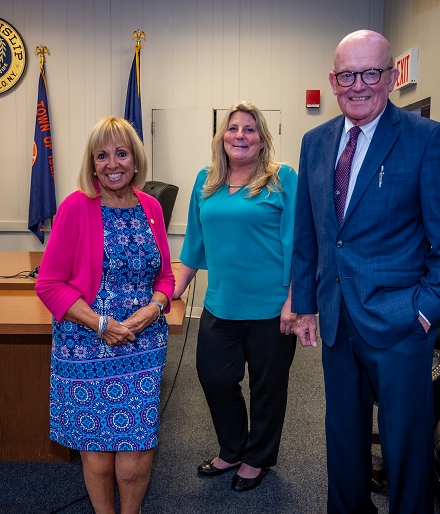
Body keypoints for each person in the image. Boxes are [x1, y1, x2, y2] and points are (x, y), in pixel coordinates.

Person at [292, 30, 440, 514]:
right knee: (343, 436)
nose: (359, 84)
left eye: (371, 73)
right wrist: (305, 304)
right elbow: (311, 234)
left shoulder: (427, 139)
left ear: (391, 77)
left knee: (405, 446)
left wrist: (425, 312)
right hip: (336, 318)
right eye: (347, 74)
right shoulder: (314, 142)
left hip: (401, 323)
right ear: (333, 80)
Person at [36, 116, 175, 514]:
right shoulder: (76, 207)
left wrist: (155, 307)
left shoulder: (150, 207)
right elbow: (49, 284)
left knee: (138, 445)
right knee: (96, 449)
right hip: (86, 344)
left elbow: (165, 276)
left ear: (135, 159)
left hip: (142, 342)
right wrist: (100, 323)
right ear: (92, 163)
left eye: (121, 153)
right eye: (102, 155)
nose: (112, 163)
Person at [173, 101, 297, 492]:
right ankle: (232, 448)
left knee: (267, 387)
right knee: (214, 378)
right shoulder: (205, 181)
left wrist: (295, 302)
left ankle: (256, 458)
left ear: (262, 139)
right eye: (233, 128)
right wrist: (170, 293)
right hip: (220, 306)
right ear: (222, 137)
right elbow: (194, 244)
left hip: (271, 308)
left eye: (249, 129)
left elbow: (300, 243)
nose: (240, 136)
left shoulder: (283, 179)